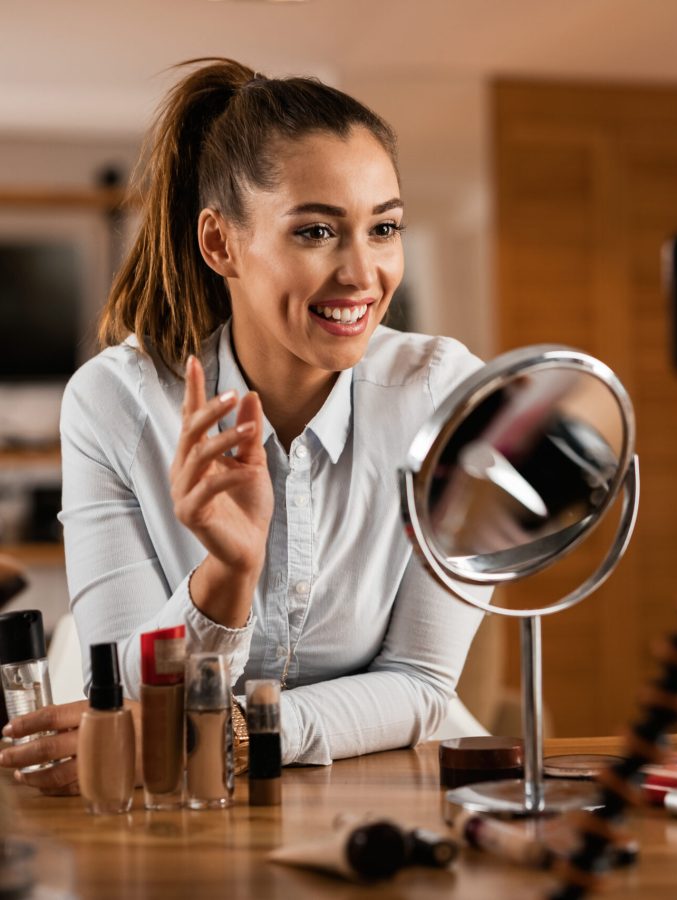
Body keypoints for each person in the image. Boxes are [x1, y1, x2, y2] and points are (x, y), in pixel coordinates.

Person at [0, 58, 484, 795]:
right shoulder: (116, 403)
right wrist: (223, 578)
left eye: (384, 228)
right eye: (318, 230)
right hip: (175, 801)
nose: (364, 273)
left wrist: (236, 734)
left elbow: (422, 683)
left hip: (380, 785)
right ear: (221, 243)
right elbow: (126, 688)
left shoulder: (442, 393)